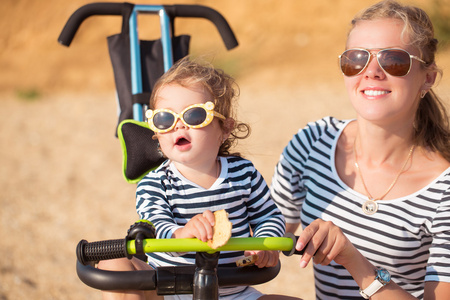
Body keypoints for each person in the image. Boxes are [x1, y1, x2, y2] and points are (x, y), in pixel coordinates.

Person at [270, 0, 450, 299]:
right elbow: (266, 239)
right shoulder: (313, 141)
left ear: (427, 77)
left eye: (394, 61)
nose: (372, 71)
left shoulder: (444, 186)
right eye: (356, 59)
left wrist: (354, 261)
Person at [98, 57, 295, 300]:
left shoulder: (243, 174)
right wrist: (181, 234)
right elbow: (154, 225)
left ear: (224, 129)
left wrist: (266, 242)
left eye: (194, 116)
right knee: (112, 263)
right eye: (165, 119)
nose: (178, 127)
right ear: (156, 132)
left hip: (234, 291)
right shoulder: (154, 183)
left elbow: (268, 215)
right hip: (170, 290)